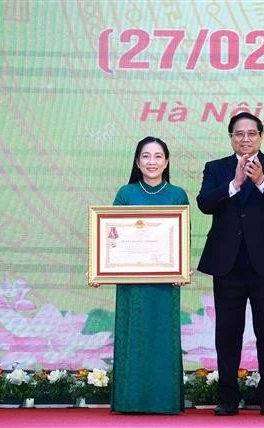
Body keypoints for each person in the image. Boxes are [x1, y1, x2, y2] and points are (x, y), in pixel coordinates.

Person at [196, 112, 264, 417]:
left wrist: (261, 181)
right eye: (239, 134)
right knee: (227, 334)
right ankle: (227, 397)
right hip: (228, 266)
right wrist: (236, 183)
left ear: (261, 136)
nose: (245, 139)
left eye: (251, 133)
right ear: (231, 138)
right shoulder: (216, 169)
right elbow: (205, 203)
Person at [91, 136, 190, 414]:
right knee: (133, 336)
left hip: (165, 282)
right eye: (146, 156)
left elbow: (183, 236)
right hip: (131, 281)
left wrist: (182, 268)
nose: (152, 162)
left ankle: (164, 402)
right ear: (137, 162)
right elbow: (111, 235)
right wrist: (102, 266)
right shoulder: (126, 193)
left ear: (167, 162)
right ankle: (129, 401)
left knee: (162, 337)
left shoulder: (178, 194)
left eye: (158, 156)